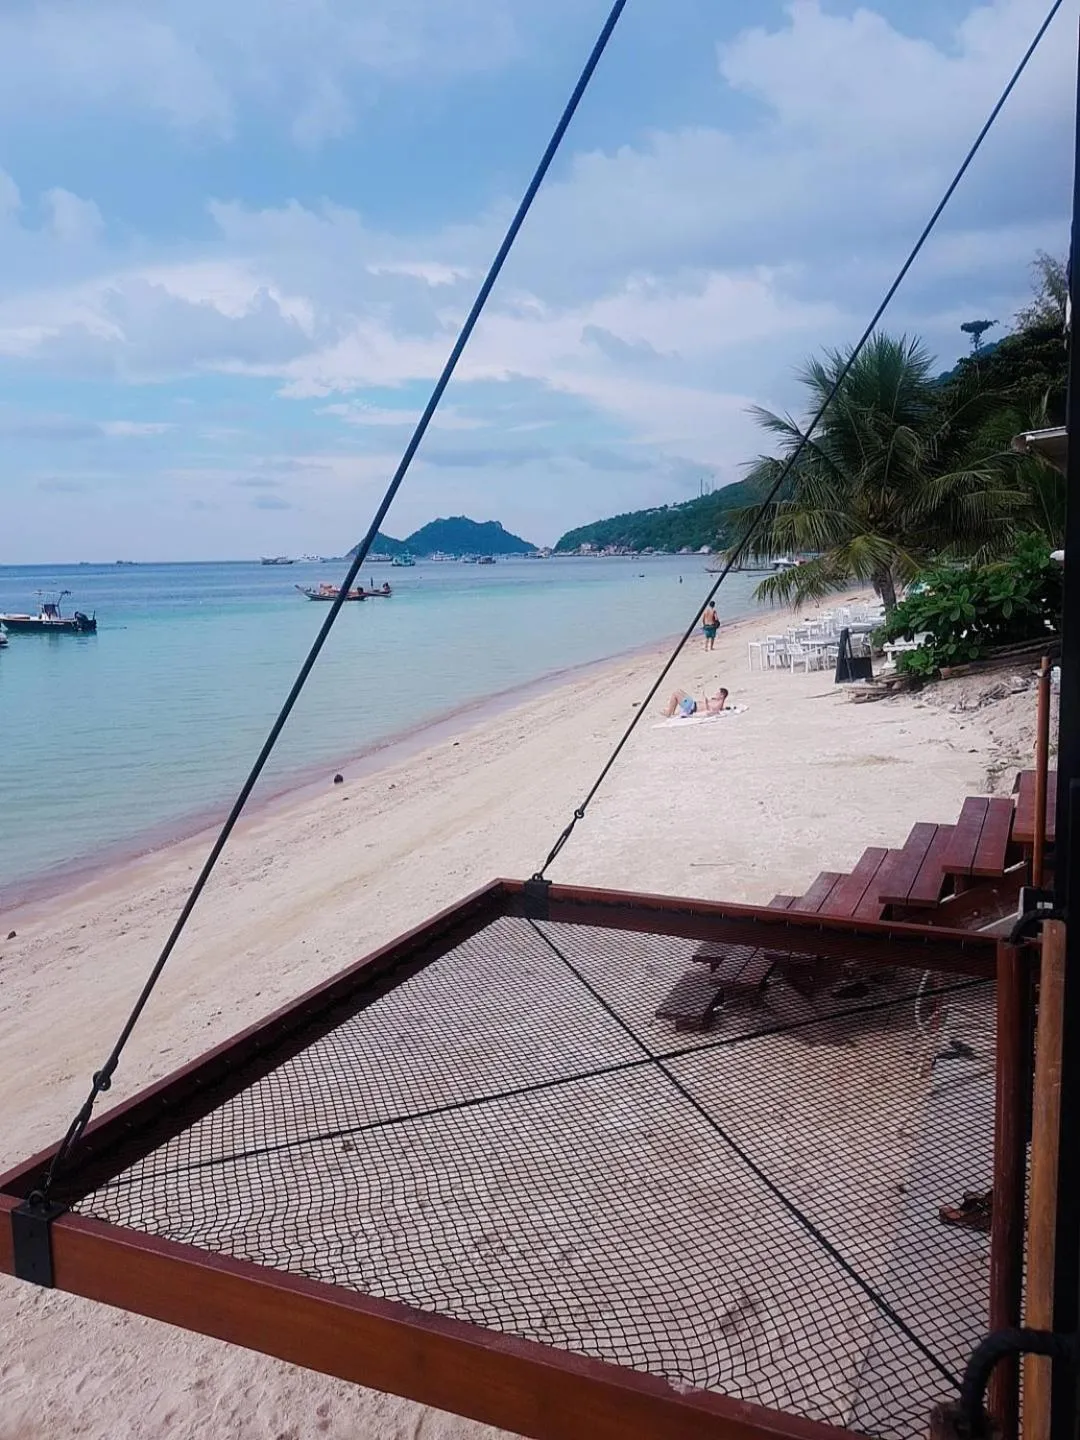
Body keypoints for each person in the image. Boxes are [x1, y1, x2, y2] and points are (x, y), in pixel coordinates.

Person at [662, 686, 729, 717]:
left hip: (692, 708)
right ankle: (671, 712)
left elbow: (708, 710)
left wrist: (704, 700)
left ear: (722, 696)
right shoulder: (718, 702)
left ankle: (669, 712)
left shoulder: (717, 704)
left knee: (675, 693)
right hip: (692, 704)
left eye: (718, 693)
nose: (716, 694)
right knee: (678, 691)